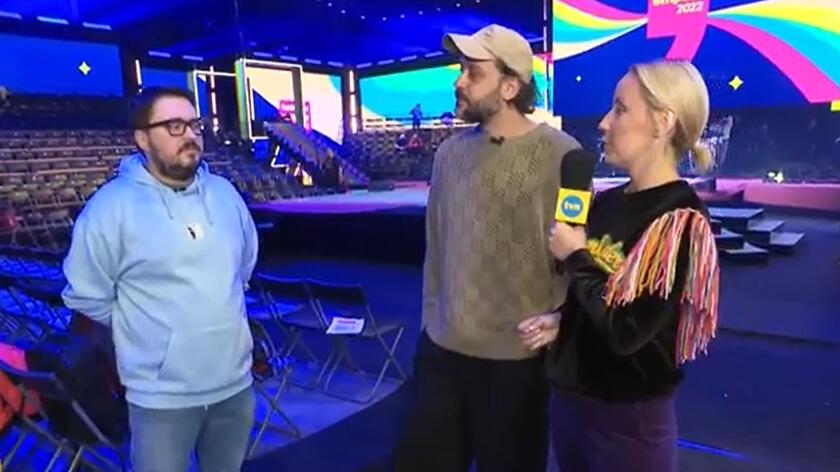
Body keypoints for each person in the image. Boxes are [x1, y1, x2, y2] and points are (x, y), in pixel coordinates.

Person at [393, 24, 580, 472]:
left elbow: (579, 251)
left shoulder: (563, 156)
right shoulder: (448, 155)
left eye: (473, 73)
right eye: (460, 70)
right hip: (441, 352)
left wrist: (564, 318)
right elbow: (436, 245)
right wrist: (432, 322)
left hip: (517, 364)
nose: (459, 81)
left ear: (510, 87)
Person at [518, 60, 720, 472]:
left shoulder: (678, 218)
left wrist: (576, 256)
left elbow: (627, 331)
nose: (604, 122)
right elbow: (600, 292)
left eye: (621, 109)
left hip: (626, 421)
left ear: (663, 122)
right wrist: (563, 321)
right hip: (572, 404)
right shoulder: (607, 203)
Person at [62, 86, 258, 472]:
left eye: (194, 124)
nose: (190, 135)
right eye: (174, 126)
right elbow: (89, 299)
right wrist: (155, 346)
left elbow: (243, 269)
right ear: (142, 138)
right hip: (160, 399)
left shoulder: (225, 194)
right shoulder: (109, 209)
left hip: (235, 387)